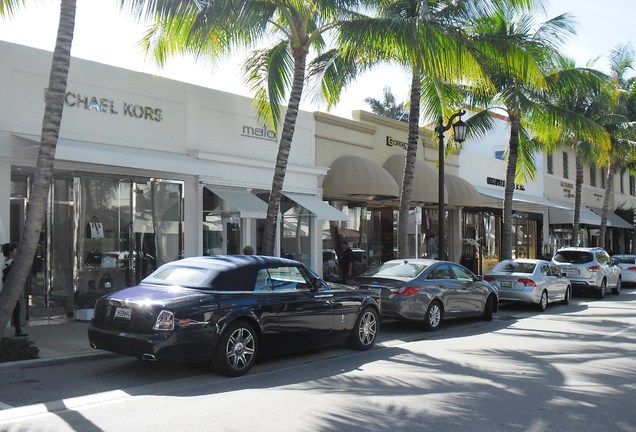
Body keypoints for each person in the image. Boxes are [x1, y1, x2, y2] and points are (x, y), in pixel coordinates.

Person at [2, 243, 27, 337]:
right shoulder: (11, 262)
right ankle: (18, 331)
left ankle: (18, 331)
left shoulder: (7, 262)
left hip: (10, 292)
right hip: (10, 292)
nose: (17, 251)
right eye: (15, 249)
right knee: (15, 310)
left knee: (16, 310)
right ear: (11, 252)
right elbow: (7, 278)